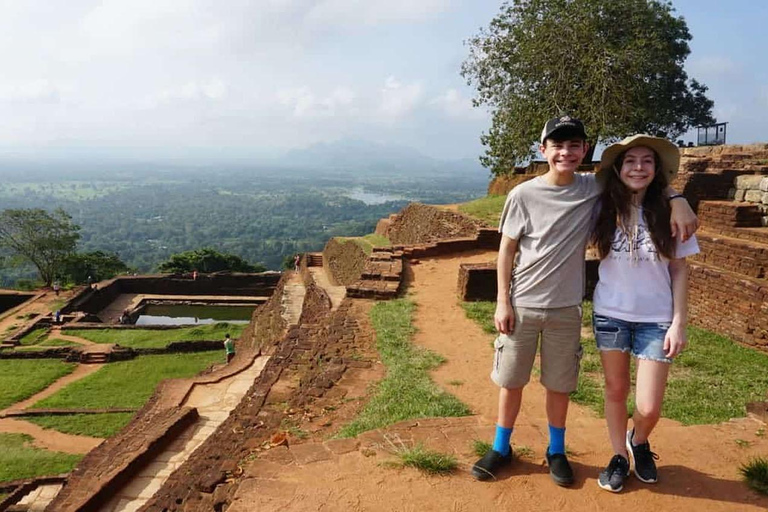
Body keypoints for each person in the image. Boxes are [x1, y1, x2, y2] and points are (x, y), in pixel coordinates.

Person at [470, 116, 698, 486]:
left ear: (585, 151)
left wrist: (678, 198)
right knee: (511, 381)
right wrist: (502, 301)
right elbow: (506, 251)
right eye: (557, 145)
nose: (566, 152)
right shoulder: (523, 195)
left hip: (566, 307)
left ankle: (556, 450)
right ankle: (501, 446)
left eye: (574, 145)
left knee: (559, 384)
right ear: (543, 150)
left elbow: (644, 178)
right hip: (524, 301)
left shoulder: (594, 187)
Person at [591, 135, 699, 493]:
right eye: (630, 161)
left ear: (657, 169)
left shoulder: (670, 210)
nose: (638, 168)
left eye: (647, 161)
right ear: (618, 169)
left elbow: (680, 269)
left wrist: (679, 321)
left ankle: (639, 439)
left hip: (656, 318)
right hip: (611, 314)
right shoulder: (601, 207)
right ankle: (619, 455)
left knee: (649, 406)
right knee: (615, 390)